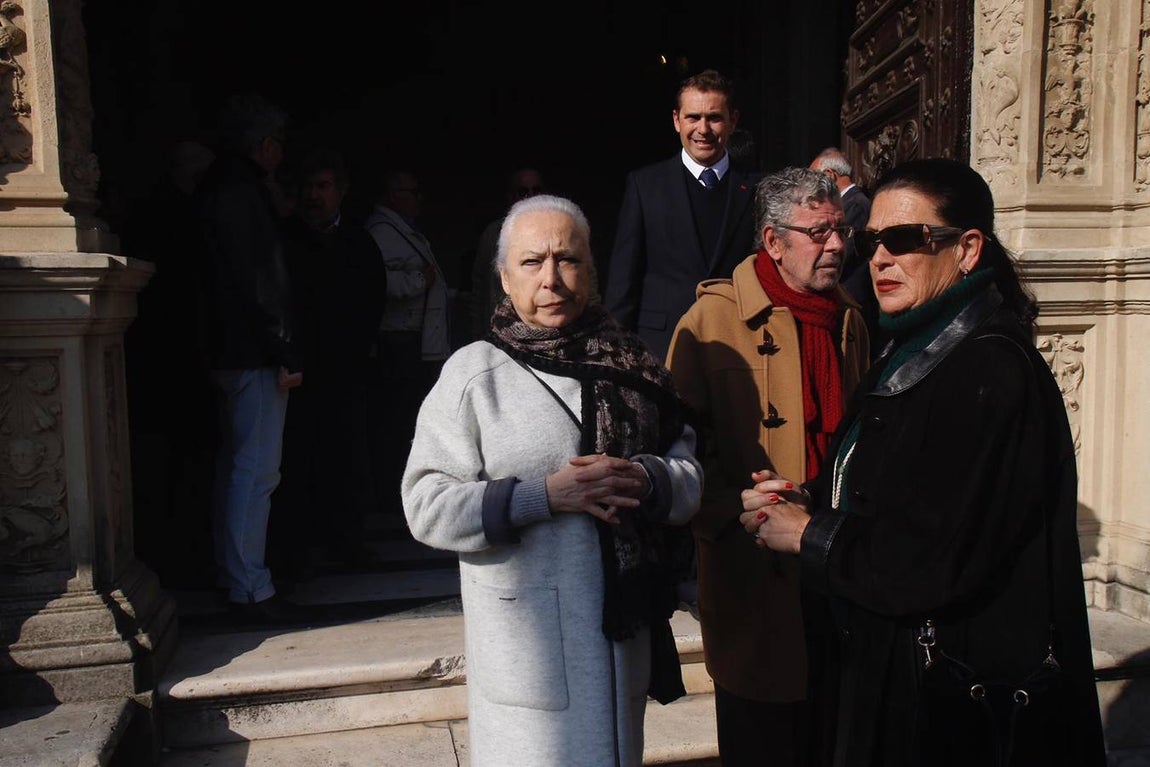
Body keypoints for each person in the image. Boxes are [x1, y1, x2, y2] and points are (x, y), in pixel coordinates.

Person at [740, 158, 1106, 767]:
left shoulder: (990, 366)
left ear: (966, 248)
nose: (879, 257)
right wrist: (809, 497)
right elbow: (893, 488)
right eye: (872, 240)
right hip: (898, 682)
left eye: (906, 239)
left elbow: (932, 557)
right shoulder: (916, 342)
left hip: (948, 706)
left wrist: (810, 534)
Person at [402, 194, 703, 767]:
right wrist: (540, 497)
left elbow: (688, 475)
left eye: (568, 260)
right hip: (528, 645)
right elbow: (424, 504)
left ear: (591, 270)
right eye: (532, 262)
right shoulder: (473, 374)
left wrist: (647, 479)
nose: (552, 279)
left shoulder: (635, 364)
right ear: (503, 278)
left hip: (622, 632)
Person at [666, 167, 869, 767]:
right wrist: (735, 510)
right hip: (751, 567)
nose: (836, 245)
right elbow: (677, 448)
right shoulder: (708, 322)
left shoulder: (852, 316)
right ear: (774, 242)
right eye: (818, 232)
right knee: (763, 733)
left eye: (840, 231)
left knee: (834, 729)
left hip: (833, 555)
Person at [196, 93, 304, 622]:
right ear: (266, 146)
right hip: (251, 350)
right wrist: (284, 347)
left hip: (226, 345)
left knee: (237, 467)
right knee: (256, 471)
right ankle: (250, 586)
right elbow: (263, 280)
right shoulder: (244, 193)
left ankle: (235, 574)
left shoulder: (217, 187)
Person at [273, 146, 387, 572]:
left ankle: (347, 543)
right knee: (295, 461)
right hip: (296, 372)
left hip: (344, 370)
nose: (314, 196)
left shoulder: (359, 242)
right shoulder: (283, 240)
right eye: (307, 187)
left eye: (323, 186)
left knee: (345, 458)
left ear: (340, 191)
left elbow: (373, 302)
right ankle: (295, 551)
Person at [605, 69, 762, 361]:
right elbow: (623, 284)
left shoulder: (756, 188)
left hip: (737, 347)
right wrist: (619, 357)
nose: (703, 129)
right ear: (677, 120)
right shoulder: (644, 185)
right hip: (660, 349)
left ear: (733, 121)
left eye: (714, 117)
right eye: (693, 117)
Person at [363, 169, 450, 518]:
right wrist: (419, 280)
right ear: (393, 194)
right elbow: (376, 282)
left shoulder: (402, 231)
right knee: (395, 425)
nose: (419, 198)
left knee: (407, 423)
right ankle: (391, 501)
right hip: (396, 342)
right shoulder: (381, 232)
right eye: (412, 191)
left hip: (412, 342)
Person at [810, 147, 880, 354]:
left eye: (814, 180)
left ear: (830, 175)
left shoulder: (855, 205)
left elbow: (844, 255)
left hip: (854, 303)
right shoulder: (849, 204)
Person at [469, 166, 546, 340]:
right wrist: (478, 336)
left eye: (537, 190)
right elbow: (480, 288)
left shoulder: (560, 231)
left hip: (546, 335)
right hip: (500, 336)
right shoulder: (493, 234)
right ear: (511, 197)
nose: (531, 197)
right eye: (523, 192)